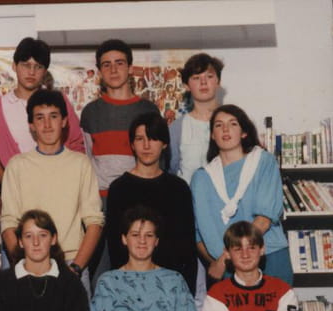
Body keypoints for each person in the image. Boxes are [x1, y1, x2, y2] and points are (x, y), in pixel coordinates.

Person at [0, 89, 103, 297]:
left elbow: (94, 221)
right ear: (31, 125)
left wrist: (76, 268)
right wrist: (23, 267)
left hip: (71, 262)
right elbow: (9, 223)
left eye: (53, 116)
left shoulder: (81, 164)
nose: (47, 125)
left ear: (64, 121)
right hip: (30, 263)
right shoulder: (17, 165)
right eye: (40, 118)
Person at [191, 104, 292, 285]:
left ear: (244, 132)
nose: (225, 129)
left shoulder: (264, 161)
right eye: (219, 125)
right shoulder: (201, 178)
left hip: (269, 257)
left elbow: (264, 219)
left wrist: (228, 256)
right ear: (213, 135)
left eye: (233, 124)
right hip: (227, 268)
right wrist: (218, 262)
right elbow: (199, 234)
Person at [106, 113, 197, 294]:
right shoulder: (119, 189)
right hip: (129, 287)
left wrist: (186, 293)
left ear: (164, 143)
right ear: (132, 144)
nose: (146, 146)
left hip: (171, 288)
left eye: (153, 138)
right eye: (140, 139)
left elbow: (187, 248)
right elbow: (115, 248)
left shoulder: (179, 189)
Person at [0, 37, 84, 183]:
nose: (31, 72)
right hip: (17, 186)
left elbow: (76, 143)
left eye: (38, 67)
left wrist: (68, 181)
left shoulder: (59, 100)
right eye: (26, 65)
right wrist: (9, 186)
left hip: (59, 182)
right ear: (14, 66)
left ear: (45, 71)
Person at [80, 39, 160, 193]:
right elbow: (87, 161)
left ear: (130, 68)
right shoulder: (90, 112)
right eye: (106, 65)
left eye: (119, 63)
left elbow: (159, 161)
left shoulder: (149, 110)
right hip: (101, 199)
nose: (113, 70)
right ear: (99, 72)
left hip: (141, 195)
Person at [169, 53, 224, 185]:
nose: (203, 82)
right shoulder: (177, 128)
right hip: (188, 196)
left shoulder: (233, 122)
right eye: (196, 78)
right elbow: (171, 170)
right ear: (186, 85)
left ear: (218, 82)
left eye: (209, 76)